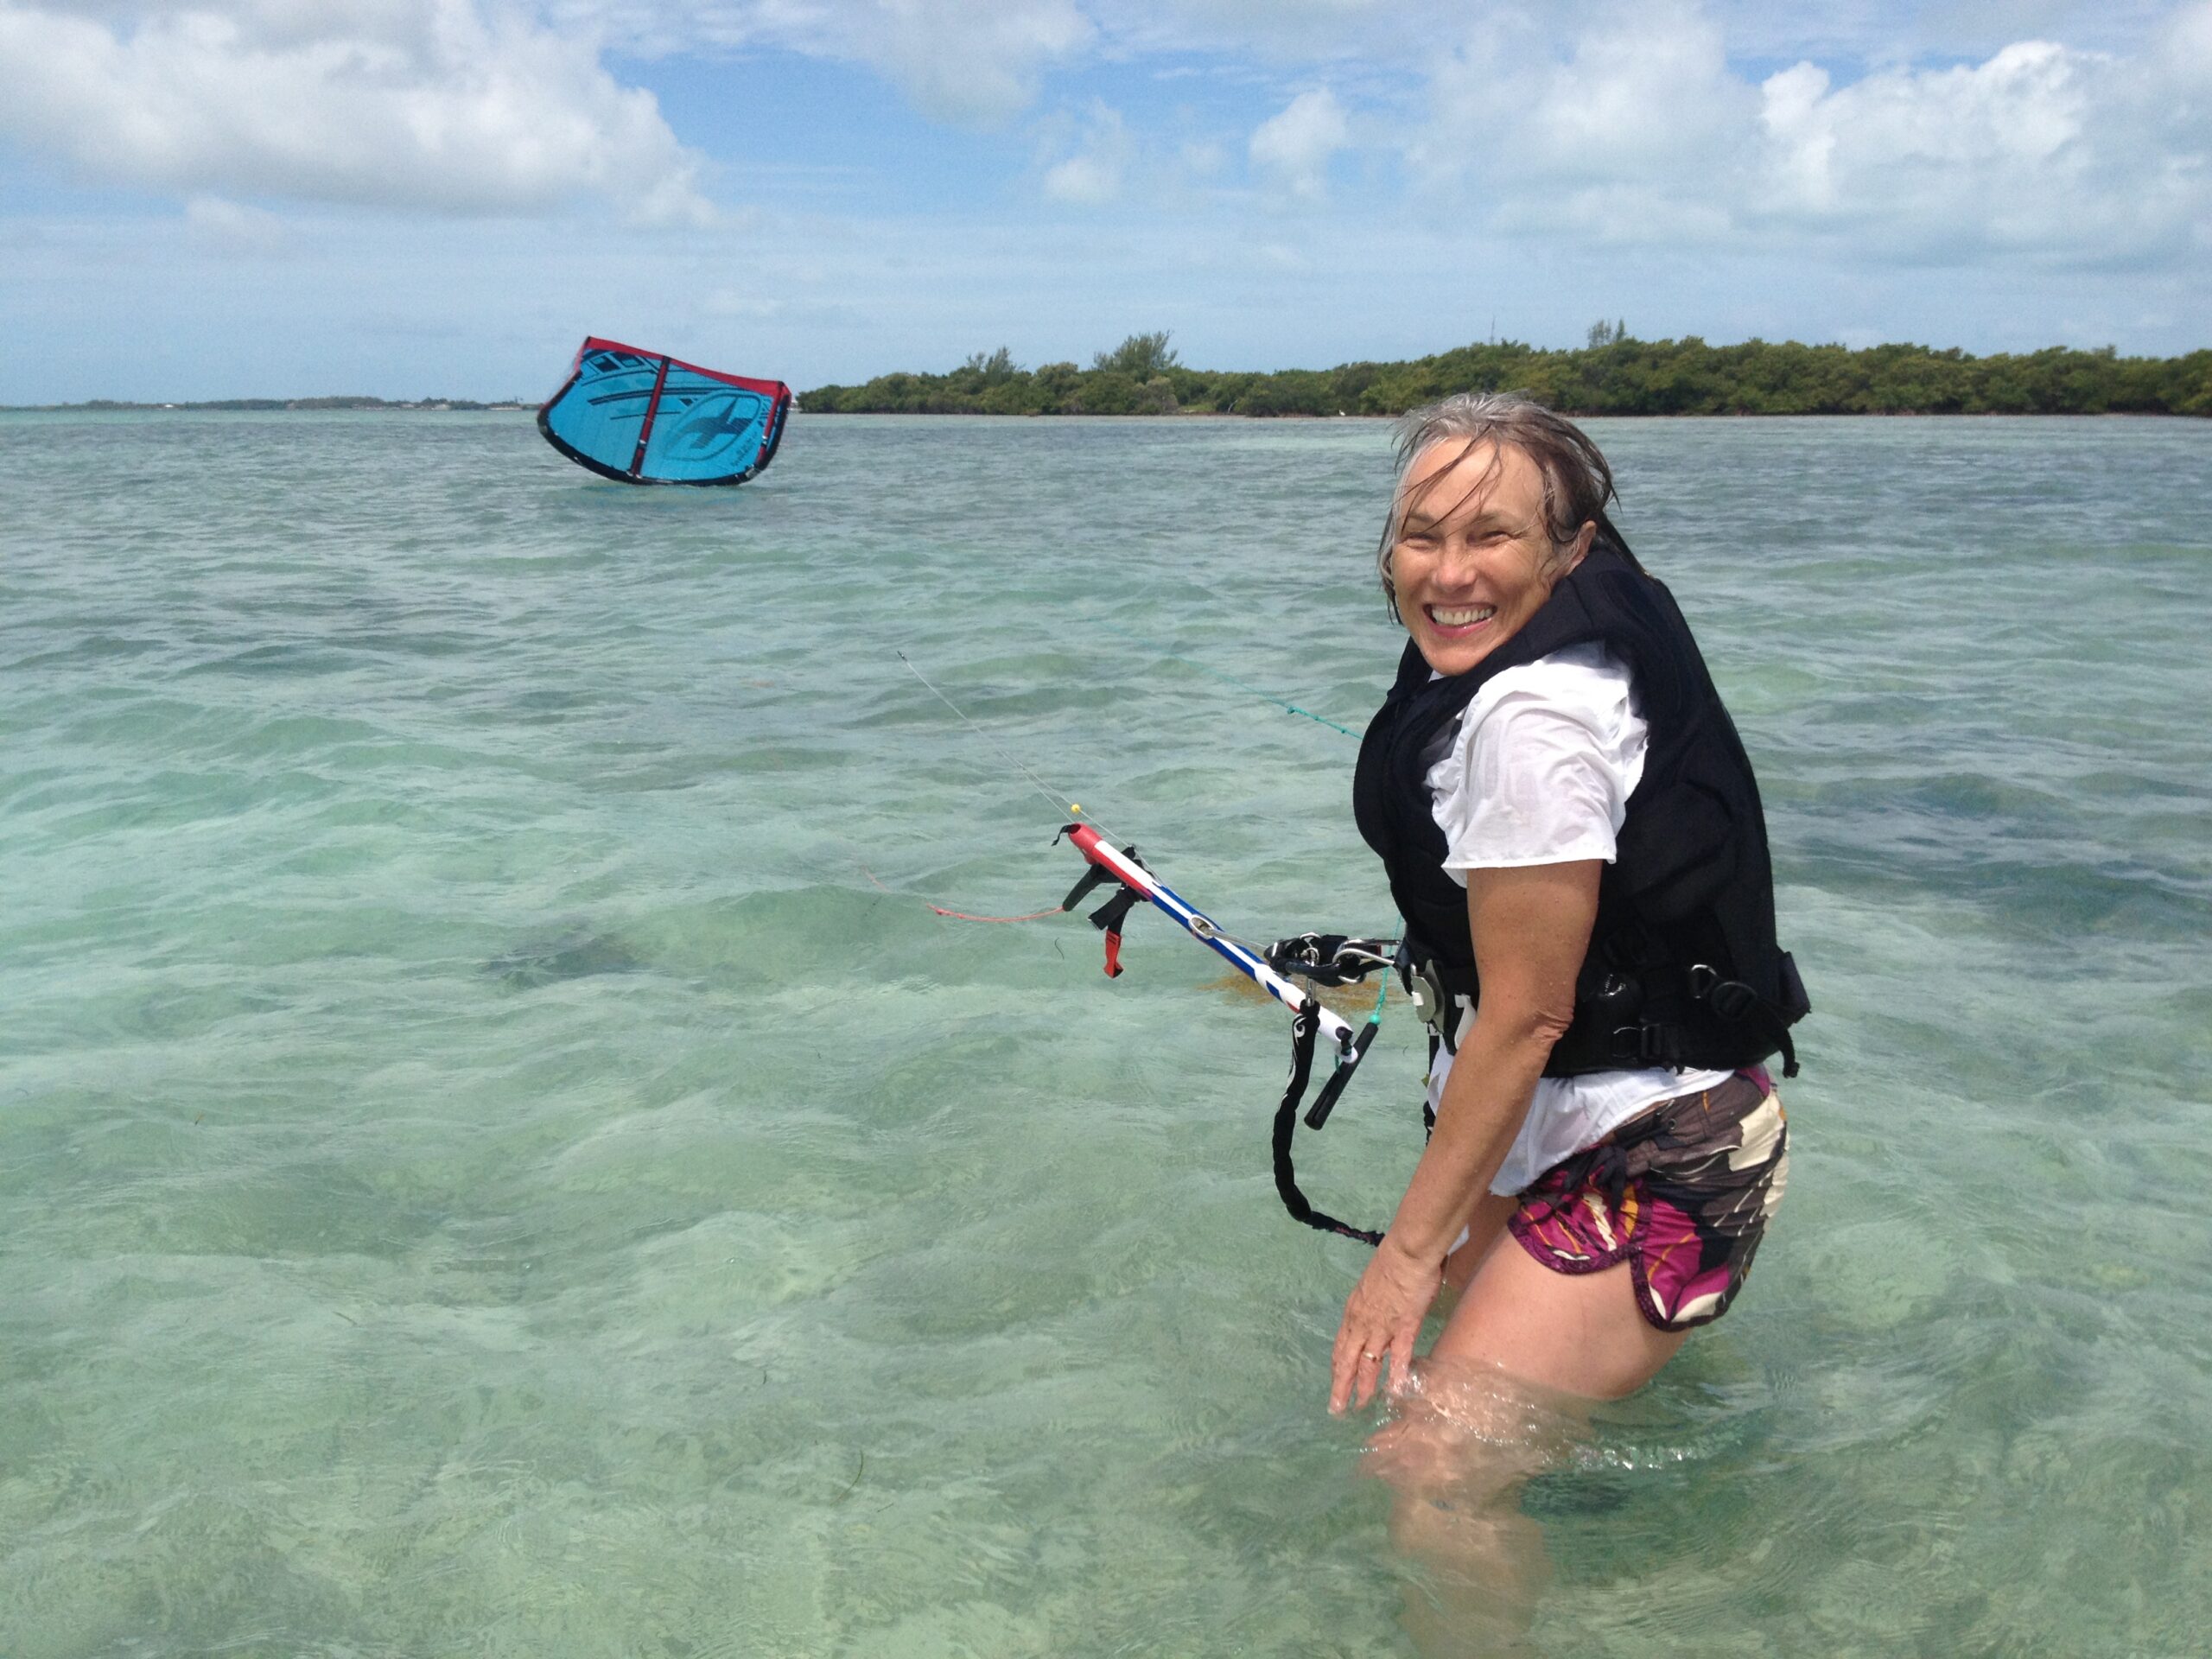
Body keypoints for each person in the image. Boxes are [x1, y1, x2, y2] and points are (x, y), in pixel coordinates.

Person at [1331, 392, 1808, 1415]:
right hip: (1567, 1111)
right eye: (1421, 537)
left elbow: (1529, 1014)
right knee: (1454, 1403)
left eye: (1490, 535)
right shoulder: (1511, 646)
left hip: (1661, 1137)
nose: (1449, 574)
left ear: (1571, 549)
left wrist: (1405, 1259)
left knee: (1430, 1471)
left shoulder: (1532, 720)